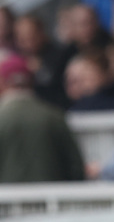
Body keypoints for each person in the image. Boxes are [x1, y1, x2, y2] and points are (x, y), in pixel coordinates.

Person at [0, 54, 85, 183]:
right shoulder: (54, 116)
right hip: (52, 199)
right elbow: (76, 168)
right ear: (32, 81)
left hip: (6, 201)